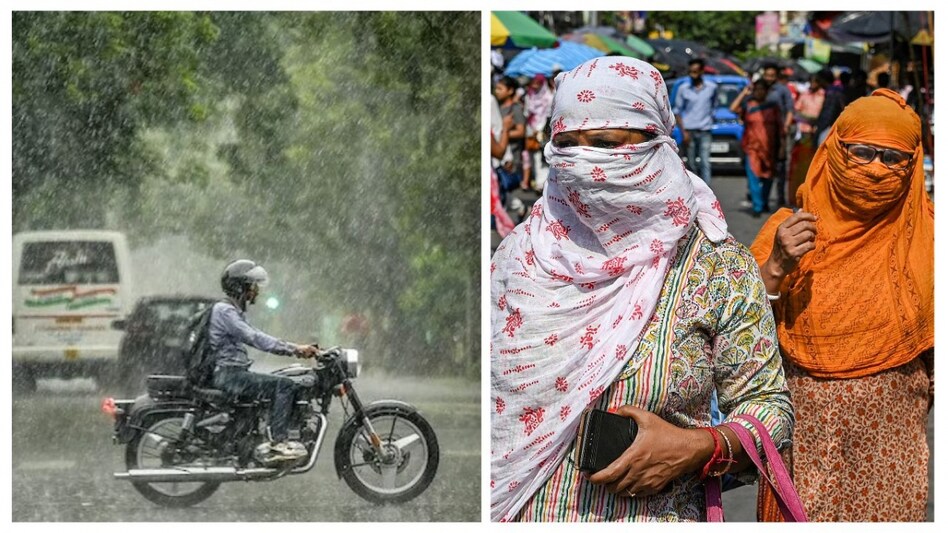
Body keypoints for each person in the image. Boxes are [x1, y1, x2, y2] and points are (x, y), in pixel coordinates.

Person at [490, 56, 794, 522]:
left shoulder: (715, 265)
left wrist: (696, 447)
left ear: (654, 142)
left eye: (607, 144)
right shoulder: (518, 258)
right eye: (567, 147)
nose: (585, 164)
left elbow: (768, 407)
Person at [749, 89, 933, 521]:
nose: (875, 169)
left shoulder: (928, 237)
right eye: (863, 152)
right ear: (835, 149)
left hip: (890, 450)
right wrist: (777, 264)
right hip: (802, 437)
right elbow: (740, 333)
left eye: (893, 158)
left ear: (913, 164)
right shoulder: (788, 229)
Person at [210, 259, 319, 461]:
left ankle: (263, 435)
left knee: (281, 380)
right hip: (229, 375)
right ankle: (278, 442)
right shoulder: (225, 311)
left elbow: (255, 333)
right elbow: (253, 337)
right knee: (283, 385)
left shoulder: (233, 310)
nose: (256, 291)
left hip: (232, 372)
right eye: (253, 286)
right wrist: (293, 349)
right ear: (240, 286)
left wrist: (295, 348)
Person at [731, 79, 781, 217]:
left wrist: (781, 146)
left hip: (770, 147)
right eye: (756, 89)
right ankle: (757, 206)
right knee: (753, 176)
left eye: (762, 89)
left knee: (768, 177)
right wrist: (744, 93)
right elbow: (733, 108)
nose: (759, 92)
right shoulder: (748, 105)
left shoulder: (773, 107)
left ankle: (764, 202)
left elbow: (780, 128)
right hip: (752, 147)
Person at [673, 57, 717, 184]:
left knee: (705, 161)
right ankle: (695, 188)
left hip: (705, 129)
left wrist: (710, 119)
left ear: (702, 72)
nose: (693, 75)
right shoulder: (683, 88)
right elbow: (677, 111)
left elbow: (714, 105)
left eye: (696, 72)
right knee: (691, 162)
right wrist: (683, 131)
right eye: (691, 72)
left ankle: (707, 191)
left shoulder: (711, 88)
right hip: (689, 130)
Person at [787, 74, 826, 206]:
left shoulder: (823, 96)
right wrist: (807, 119)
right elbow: (796, 112)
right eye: (811, 82)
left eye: (815, 81)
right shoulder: (804, 95)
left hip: (816, 135)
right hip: (803, 133)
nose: (813, 84)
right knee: (799, 166)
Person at [814, 69, 845, 146]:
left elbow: (828, 114)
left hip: (828, 128)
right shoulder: (837, 90)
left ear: (823, 80)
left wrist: (819, 129)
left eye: (818, 79)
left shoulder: (831, 93)